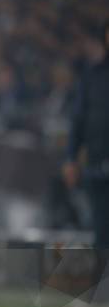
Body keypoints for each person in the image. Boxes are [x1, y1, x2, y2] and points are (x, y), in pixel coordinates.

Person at [63, 19, 109, 248]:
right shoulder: (92, 75)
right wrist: (71, 158)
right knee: (101, 231)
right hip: (97, 165)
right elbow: (79, 120)